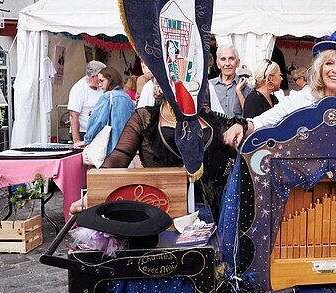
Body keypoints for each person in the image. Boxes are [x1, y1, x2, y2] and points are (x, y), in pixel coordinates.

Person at [223, 28, 336, 147]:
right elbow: (261, 123)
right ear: (320, 68)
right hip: (304, 187)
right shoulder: (301, 99)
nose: (335, 69)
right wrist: (241, 126)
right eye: (329, 63)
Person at [100, 84, 240, 213]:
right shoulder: (145, 118)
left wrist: (241, 128)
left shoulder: (209, 119)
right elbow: (118, 158)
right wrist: (95, 189)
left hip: (205, 211)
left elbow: (233, 150)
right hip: (159, 207)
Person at [84, 65, 136, 157]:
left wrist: (88, 139)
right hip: (127, 146)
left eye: (102, 80)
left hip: (110, 146)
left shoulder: (107, 97)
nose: (99, 85)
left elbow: (97, 121)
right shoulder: (127, 98)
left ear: (110, 79)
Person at [67, 61, 105, 145]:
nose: (101, 81)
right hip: (83, 132)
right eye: (100, 78)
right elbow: (74, 116)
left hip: (99, 131)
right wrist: (77, 141)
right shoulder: (78, 89)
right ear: (93, 76)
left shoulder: (101, 87)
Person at [209, 44, 246, 118]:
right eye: (223, 59)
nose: (227, 63)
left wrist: (239, 93)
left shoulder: (246, 86)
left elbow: (250, 117)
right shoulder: (209, 86)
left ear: (238, 63)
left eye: (231, 59)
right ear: (218, 64)